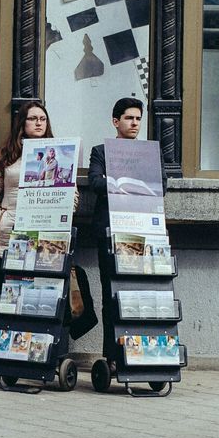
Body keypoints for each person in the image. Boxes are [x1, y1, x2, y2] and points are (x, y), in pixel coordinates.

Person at [88, 97, 144, 365]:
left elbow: (162, 185)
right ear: (116, 121)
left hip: (141, 230)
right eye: (129, 118)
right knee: (111, 295)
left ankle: (138, 355)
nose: (134, 123)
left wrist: (119, 184)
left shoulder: (148, 152)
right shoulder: (101, 151)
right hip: (110, 231)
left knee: (141, 293)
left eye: (138, 119)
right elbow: (95, 182)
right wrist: (131, 184)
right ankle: (111, 356)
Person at [0, 100, 53, 302]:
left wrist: (61, 216)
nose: (39, 123)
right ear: (22, 123)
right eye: (32, 119)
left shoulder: (57, 153)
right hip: (9, 236)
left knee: (40, 302)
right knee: (8, 303)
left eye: (43, 119)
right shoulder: (8, 154)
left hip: (45, 235)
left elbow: (71, 193)